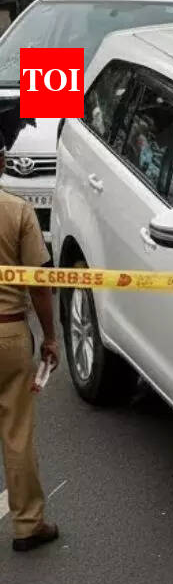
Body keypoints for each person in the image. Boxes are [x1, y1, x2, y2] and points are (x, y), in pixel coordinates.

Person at [0, 105, 59, 552]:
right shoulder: (18, 211)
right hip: (9, 333)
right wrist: (51, 339)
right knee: (16, 431)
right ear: (2, 163)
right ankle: (27, 524)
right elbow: (40, 283)